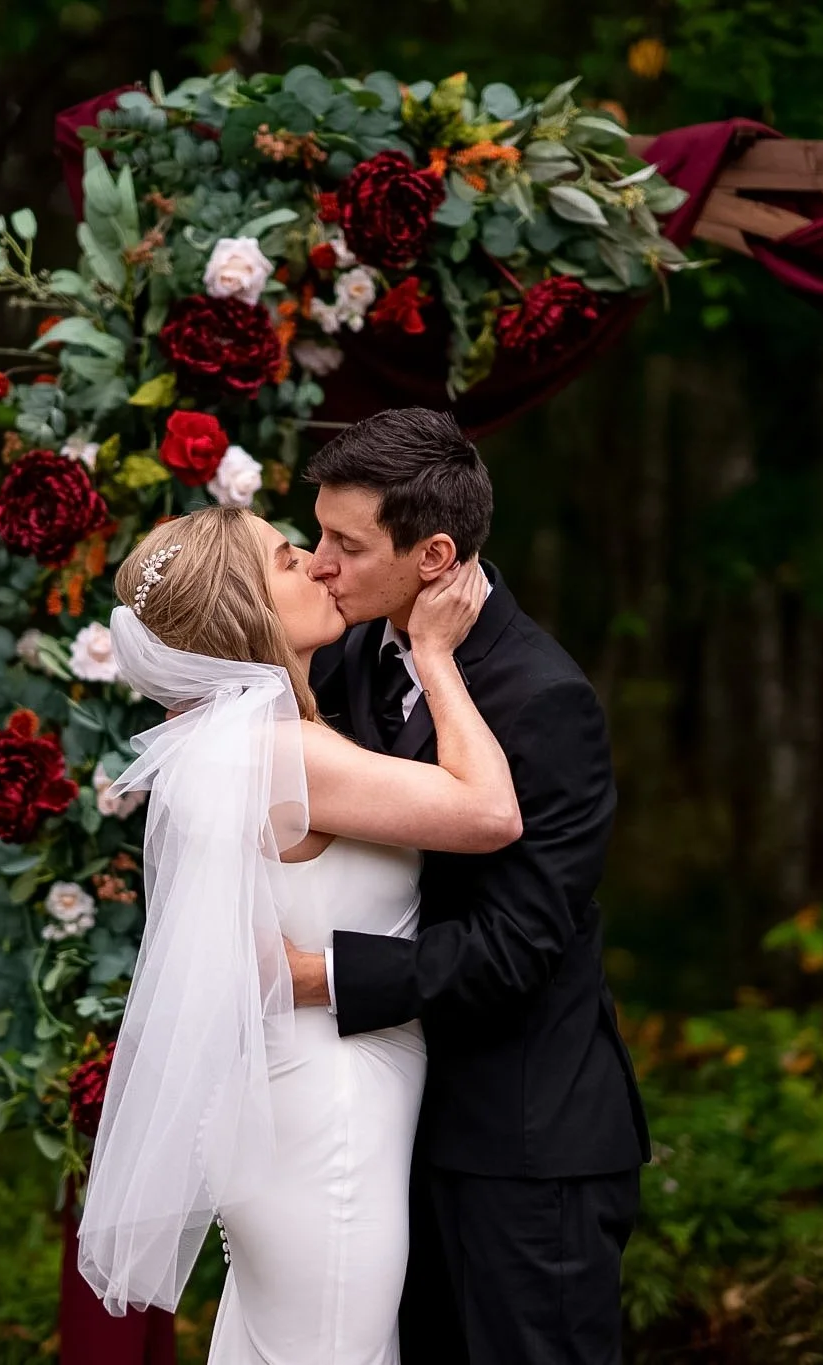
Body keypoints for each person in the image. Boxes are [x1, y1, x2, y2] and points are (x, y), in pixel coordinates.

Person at [78, 502, 521, 1365]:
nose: (318, 566)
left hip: (284, 1108)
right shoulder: (280, 754)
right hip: (330, 1117)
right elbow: (492, 812)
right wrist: (434, 654)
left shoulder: (216, 744)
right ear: (248, 608)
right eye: (287, 560)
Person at [285, 408, 651, 1365]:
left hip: (524, 1149)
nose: (320, 561)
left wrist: (316, 975)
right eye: (317, 534)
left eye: (345, 544)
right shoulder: (355, 651)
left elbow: (514, 947)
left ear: (434, 554)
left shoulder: (545, 701)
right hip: (387, 1128)